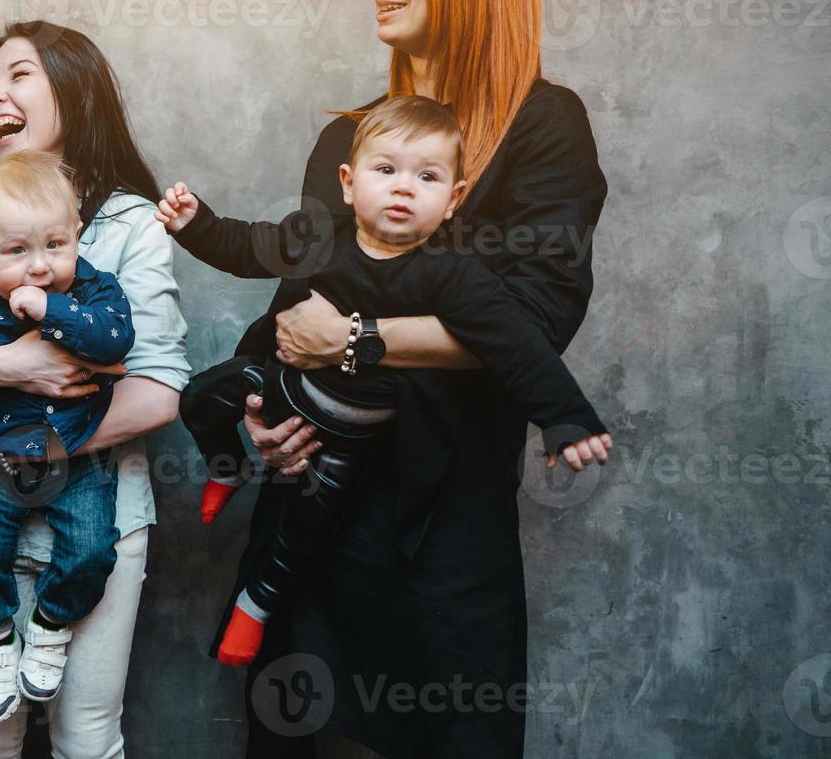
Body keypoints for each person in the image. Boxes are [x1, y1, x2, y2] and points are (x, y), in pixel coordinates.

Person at [210, 0, 611, 757]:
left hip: (446, 527)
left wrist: (360, 341)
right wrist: (262, 421)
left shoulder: (545, 126)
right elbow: (297, 299)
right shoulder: (346, 140)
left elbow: (534, 322)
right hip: (314, 503)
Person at [156, 95, 610, 668]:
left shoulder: (455, 275)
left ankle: (256, 607)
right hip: (290, 398)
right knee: (201, 397)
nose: (403, 188)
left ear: (454, 199)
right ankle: (227, 466)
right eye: (386, 170)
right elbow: (246, 246)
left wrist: (566, 418)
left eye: (427, 177)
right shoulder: (320, 237)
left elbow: (517, 346)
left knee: (301, 538)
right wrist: (195, 223)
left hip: (346, 441)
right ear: (348, 183)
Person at [0, 21, 189, 757]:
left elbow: (159, 392)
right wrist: (10, 369)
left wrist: (25, 445)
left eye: (18, 74)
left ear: (74, 89)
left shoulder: (131, 223)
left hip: (102, 502)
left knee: (86, 737)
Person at [0, 149, 136, 724]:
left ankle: (50, 627)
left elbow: (114, 342)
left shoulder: (95, 295)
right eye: (17, 251)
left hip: (80, 454)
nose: (39, 265)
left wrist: (52, 309)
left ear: (76, 237)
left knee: (92, 548)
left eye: (55, 245)